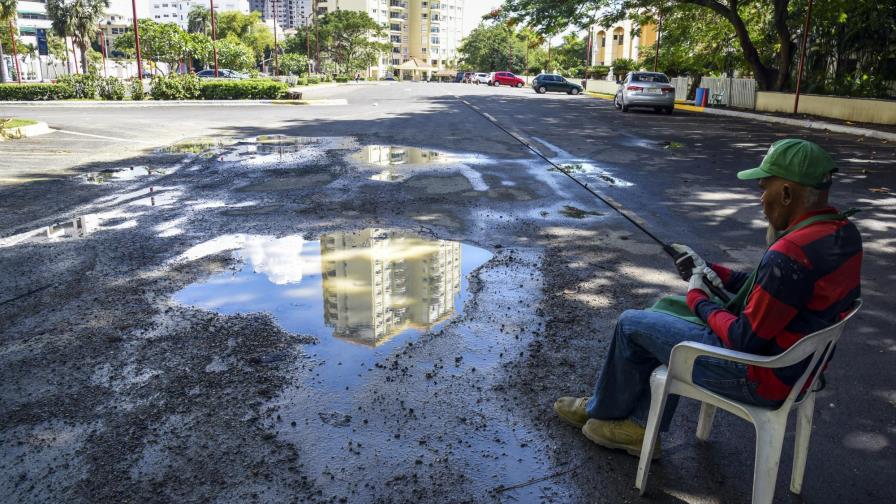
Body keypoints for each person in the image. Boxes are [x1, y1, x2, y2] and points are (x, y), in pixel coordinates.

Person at [554, 138, 863, 457]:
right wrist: (709, 268)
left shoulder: (791, 255)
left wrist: (698, 299)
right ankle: (637, 424)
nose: (760, 199)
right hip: (798, 370)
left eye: (764, 187)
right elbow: (767, 289)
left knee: (632, 324)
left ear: (786, 193)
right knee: (661, 316)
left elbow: (743, 339)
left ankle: (602, 411)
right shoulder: (841, 233)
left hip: (758, 377)